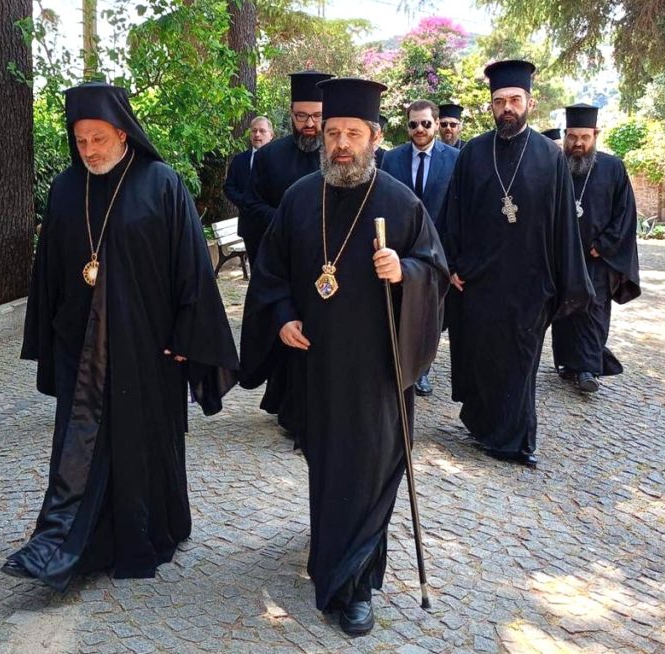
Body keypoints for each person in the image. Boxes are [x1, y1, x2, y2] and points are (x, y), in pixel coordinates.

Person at [7, 82, 239, 591]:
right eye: (80, 140)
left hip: (147, 345)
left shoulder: (161, 183)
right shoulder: (67, 189)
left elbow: (191, 270)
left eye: (97, 139)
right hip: (81, 348)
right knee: (82, 441)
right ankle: (79, 541)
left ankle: (151, 531)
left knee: (144, 439)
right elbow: (47, 273)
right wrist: (49, 338)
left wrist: (186, 334)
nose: (88, 150)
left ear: (123, 133)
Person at [240, 77, 448, 636]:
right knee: (330, 469)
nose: (341, 144)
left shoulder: (401, 203)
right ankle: (332, 552)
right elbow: (271, 272)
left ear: (375, 137)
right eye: (333, 132)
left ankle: (354, 588)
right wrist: (282, 316)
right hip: (318, 367)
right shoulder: (301, 198)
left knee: (369, 469)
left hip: (378, 371)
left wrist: (405, 272)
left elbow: (435, 272)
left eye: (353, 133)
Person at [438, 60, 593, 468]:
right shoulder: (472, 151)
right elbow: (452, 213)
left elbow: (563, 225)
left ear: (529, 102)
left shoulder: (549, 156)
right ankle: (484, 426)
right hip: (479, 281)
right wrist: (451, 264)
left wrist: (564, 282)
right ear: (491, 105)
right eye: (499, 101)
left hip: (531, 284)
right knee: (482, 357)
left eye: (514, 100)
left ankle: (517, 441)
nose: (507, 107)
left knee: (520, 362)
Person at [240, 70, 332, 437]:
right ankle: (289, 407)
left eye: (316, 116)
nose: (309, 124)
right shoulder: (270, 157)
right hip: (287, 264)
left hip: (330, 264)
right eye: (301, 116)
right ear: (290, 115)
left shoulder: (339, 155)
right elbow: (251, 202)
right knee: (289, 335)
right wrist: (283, 219)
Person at [551, 103, 641, 393]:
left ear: (595, 135)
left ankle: (588, 368)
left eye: (584, 137)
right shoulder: (556, 167)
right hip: (563, 256)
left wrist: (603, 246)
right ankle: (567, 363)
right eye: (573, 137)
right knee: (564, 308)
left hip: (595, 257)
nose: (578, 143)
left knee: (593, 309)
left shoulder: (613, 168)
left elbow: (625, 213)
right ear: (566, 135)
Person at [381, 99, 459, 396]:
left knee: (431, 314)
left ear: (436, 124)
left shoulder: (454, 158)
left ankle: (422, 370)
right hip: (401, 250)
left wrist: (454, 259)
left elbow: (458, 210)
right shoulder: (392, 159)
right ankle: (399, 364)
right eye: (413, 124)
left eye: (426, 123)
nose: (420, 129)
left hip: (438, 252)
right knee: (402, 308)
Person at [223, 116, 275, 215]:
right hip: (246, 219)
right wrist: (243, 201)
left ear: (271, 135)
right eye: (254, 131)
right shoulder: (239, 159)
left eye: (262, 131)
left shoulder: (279, 159)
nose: (257, 134)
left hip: (271, 220)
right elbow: (229, 187)